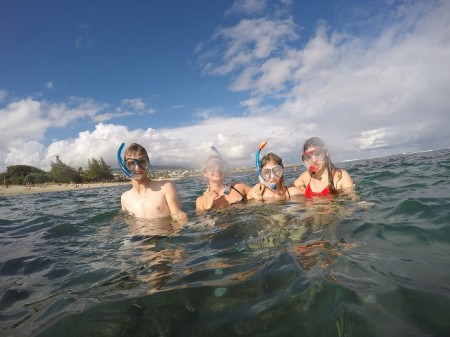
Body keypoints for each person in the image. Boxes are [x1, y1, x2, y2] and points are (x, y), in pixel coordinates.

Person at [118, 143, 187, 220]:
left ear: (148, 163)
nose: (137, 168)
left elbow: (177, 213)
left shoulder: (166, 187)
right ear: (125, 167)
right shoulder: (124, 197)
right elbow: (122, 218)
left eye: (142, 162)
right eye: (131, 163)